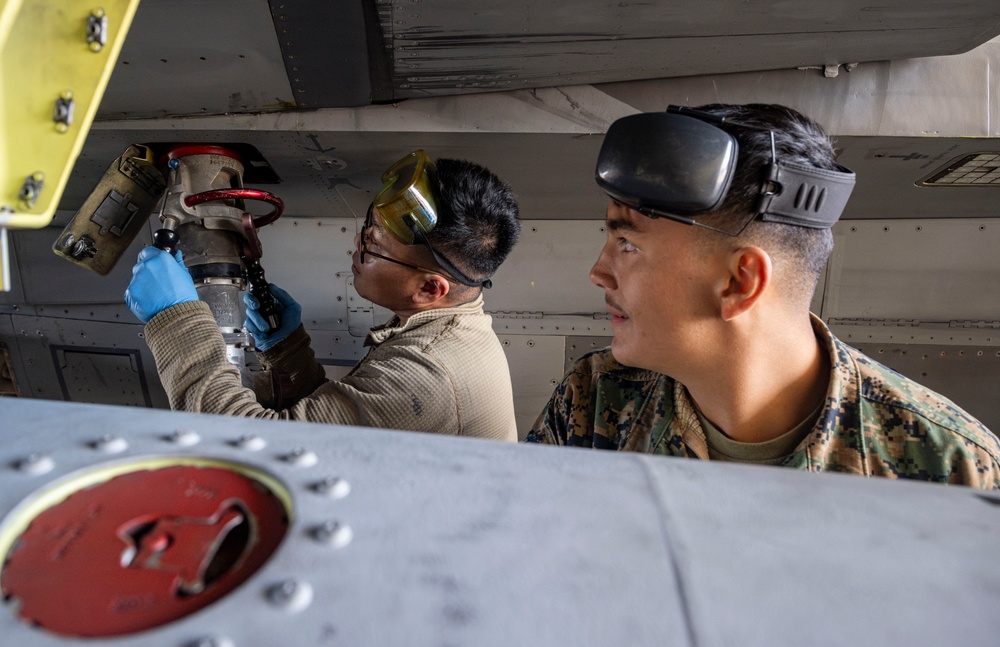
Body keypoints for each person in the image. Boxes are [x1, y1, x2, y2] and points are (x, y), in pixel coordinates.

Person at [526, 103, 1000, 489]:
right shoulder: (592, 401)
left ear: (739, 283)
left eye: (628, 244)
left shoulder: (953, 471)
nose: (598, 273)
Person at [126, 150, 521, 441]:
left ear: (429, 288)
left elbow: (246, 445)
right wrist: (288, 351)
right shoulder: (455, 331)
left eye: (372, 245)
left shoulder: (426, 376)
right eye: (367, 227)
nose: (357, 244)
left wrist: (176, 319)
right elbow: (343, 425)